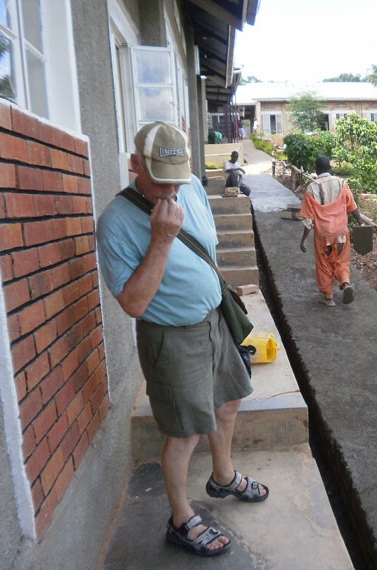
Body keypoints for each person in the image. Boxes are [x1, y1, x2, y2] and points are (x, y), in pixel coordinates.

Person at [96, 121, 268, 558]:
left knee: (228, 402)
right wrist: (162, 239)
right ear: (135, 165)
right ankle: (179, 517)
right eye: (160, 182)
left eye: (176, 180)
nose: (171, 192)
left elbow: (207, 245)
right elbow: (133, 304)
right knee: (185, 432)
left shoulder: (189, 184)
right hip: (171, 336)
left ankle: (223, 477)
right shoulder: (115, 222)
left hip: (214, 318)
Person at [299, 155, 363, 306]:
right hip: (341, 232)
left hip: (323, 235)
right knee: (341, 261)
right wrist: (360, 221)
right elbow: (352, 206)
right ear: (329, 168)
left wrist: (303, 240)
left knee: (324, 264)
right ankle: (345, 284)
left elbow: (308, 219)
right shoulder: (341, 183)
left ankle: (328, 298)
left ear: (316, 169)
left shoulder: (312, 188)